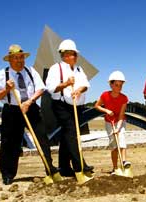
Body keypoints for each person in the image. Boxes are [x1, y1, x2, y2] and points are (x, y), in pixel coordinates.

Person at [0, 44, 59, 185]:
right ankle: (8, 174)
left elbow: (41, 88)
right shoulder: (3, 74)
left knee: (42, 138)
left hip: (31, 107)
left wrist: (29, 102)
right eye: (16, 58)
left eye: (21, 57)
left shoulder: (30, 70)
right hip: (12, 110)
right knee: (10, 143)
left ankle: (50, 169)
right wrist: (6, 90)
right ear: (10, 60)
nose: (20, 60)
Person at [45, 39, 94, 177]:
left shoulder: (79, 69)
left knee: (67, 136)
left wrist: (79, 90)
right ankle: (80, 166)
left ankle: (64, 167)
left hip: (77, 106)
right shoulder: (56, 68)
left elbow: (85, 84)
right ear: (63, 55)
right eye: (67, 54)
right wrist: (66, 84)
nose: (71, 57)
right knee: (72, 134)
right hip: (61, 105)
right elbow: (50, 88)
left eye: (73, 54)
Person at [94, 70, 131, 173]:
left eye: (120, 85)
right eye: (116, 85)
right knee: (114, 145)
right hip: (109, 122)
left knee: (122, 138)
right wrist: (106, 110)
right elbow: (96, 106)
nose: (118, 87)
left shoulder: (124, 98)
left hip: (120, 121)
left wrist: (118, 128)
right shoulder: (105, 95)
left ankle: (124, 162)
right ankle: (115, 168)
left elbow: (121, 115)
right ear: (111, 84)